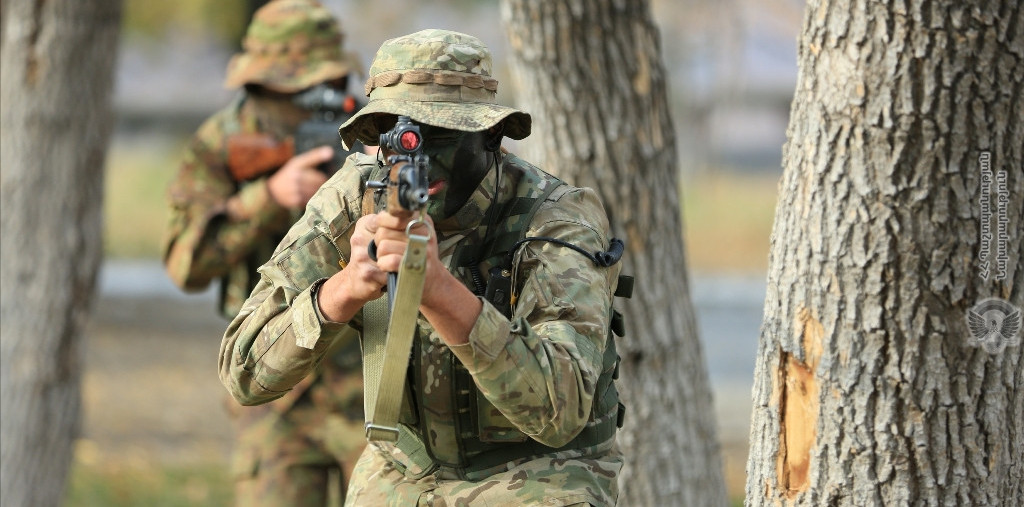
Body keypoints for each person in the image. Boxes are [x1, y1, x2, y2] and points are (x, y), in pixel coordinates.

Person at [219, 29, 627, 506]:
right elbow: (242, 372)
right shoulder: (355, 197)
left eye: (441, 136)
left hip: (538, 468)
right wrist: (344, 289)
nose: (418, 163)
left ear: (491, 135)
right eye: (398, 137)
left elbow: (560, 413)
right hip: (406, 466)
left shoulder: (555, 217)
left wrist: (437, 289)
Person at [163, 1, 366, 504]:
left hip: (367, 378)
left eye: (322, 86)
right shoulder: (223, 141)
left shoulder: (372, 132)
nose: (305, 102)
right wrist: (269, 197)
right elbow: (186, 266)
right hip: (272, 390)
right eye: (289, 91)